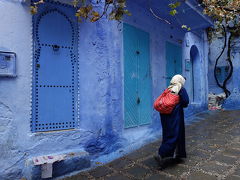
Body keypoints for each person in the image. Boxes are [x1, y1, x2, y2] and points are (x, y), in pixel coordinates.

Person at [155, 74, 189, 167]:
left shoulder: (168, 89)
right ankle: (161, 154)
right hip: (175, 116)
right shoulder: (181, 89)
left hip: (165, 116)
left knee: (167, 134)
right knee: (175, 135)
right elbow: (186, 102)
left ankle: (176, 154)